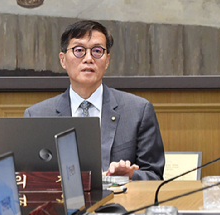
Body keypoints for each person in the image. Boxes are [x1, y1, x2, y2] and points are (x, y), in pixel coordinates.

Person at [24, 20, 165, 180]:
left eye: (97, 51)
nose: (88, 58)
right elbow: (29, 178)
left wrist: (130, 175)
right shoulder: (37, 116)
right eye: (79, 50)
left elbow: (154, 175)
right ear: (63, 60)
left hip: (120, 203)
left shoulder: (138, 111)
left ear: (107, 60)